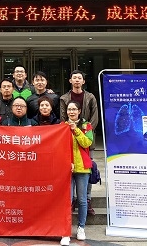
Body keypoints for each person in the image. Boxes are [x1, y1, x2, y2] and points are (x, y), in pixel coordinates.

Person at [60, 70, 99, 215]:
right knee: (69, 172)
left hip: (85, 138)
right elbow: (63, 117)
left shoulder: (90, 97)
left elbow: (94, 117)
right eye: (74, 78)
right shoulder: (64, 98)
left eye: (79, 78)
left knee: (87, 169)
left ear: (83, 81)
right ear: (70, 80)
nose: (77, 80)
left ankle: (87, 200)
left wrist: (85, 130)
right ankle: (71, 201)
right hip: (68, 138)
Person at [61, 101, 93, 246]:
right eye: (69, 109)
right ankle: (65, 231)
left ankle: (81, 228)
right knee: (66, 201)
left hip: (82, 168)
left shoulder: (86, 126)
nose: (71, 112)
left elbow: (87, 143)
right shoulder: (62, 126)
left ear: (79, 111)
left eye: (74, 109)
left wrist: (76, 130)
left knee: (82, 200)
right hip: (66, 168)